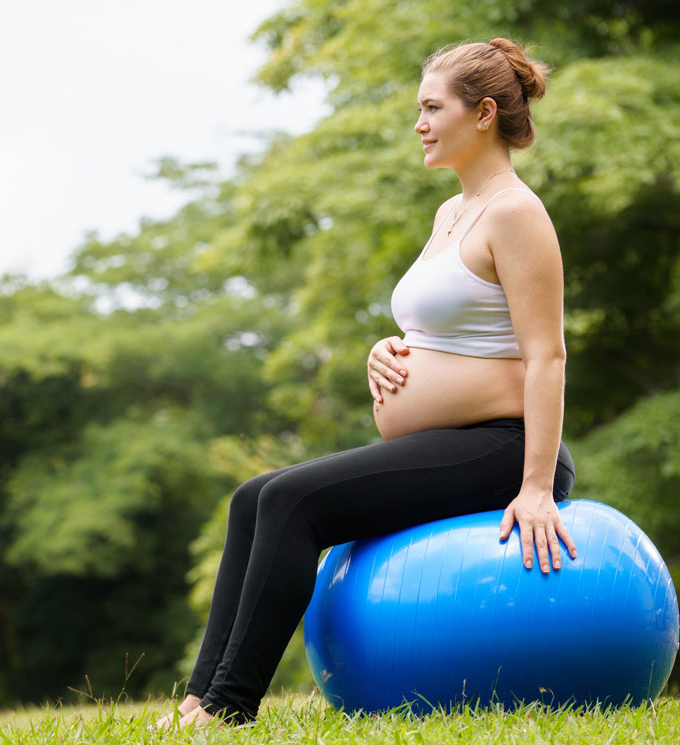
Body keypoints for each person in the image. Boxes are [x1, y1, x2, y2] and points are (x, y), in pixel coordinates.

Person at [156, 37, 577, 731]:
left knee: (293, 501)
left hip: (507, 448)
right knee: (250, 496)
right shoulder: (451, 213)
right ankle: (196, 697)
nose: (418, 122)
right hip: (455, 436)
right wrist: (388, 349)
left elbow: (546, 356)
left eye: (431, 107)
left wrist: (534, 487)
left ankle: (228, 708)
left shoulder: (514, 211)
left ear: (483, 114)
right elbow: (455, 328)